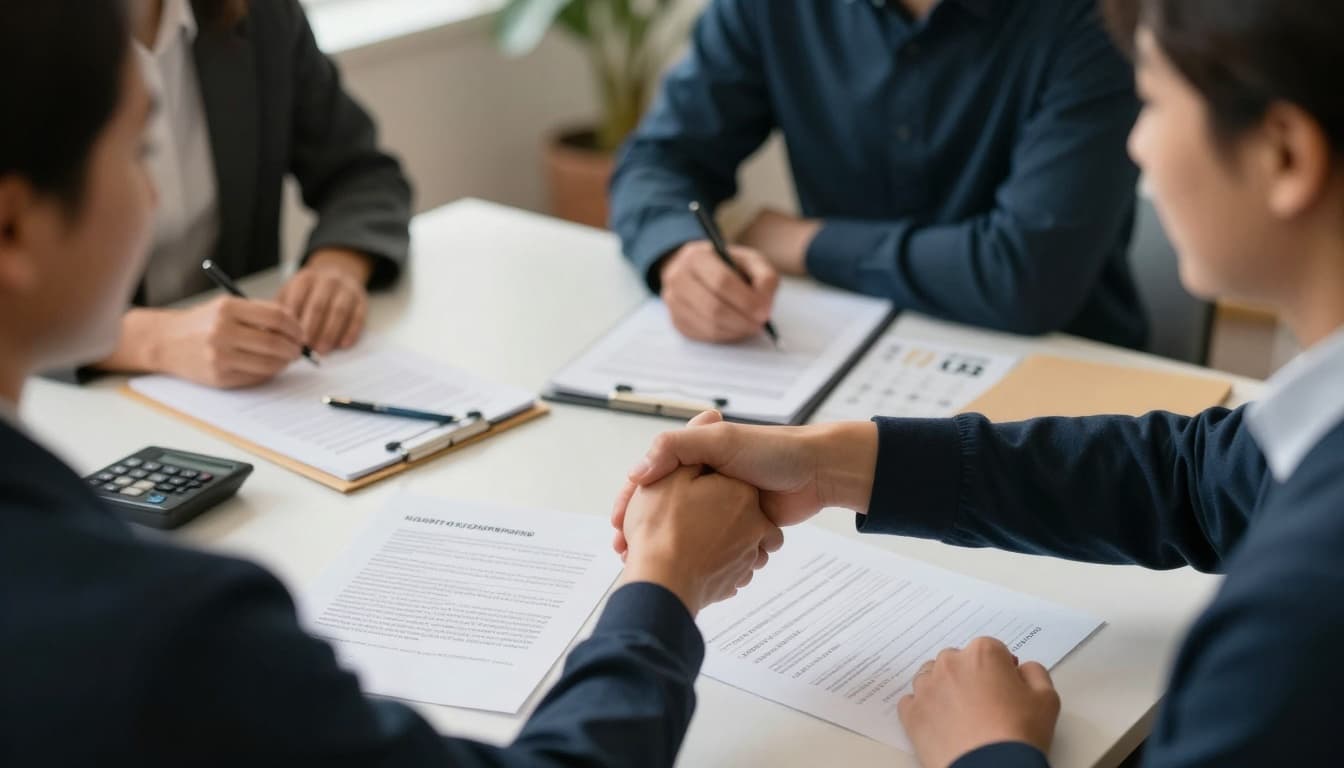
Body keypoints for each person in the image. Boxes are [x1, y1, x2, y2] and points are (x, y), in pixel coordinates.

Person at [0, 3, 784, 764]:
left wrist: (338, 263)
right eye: (138, 151)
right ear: (12, 228)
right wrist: (664, 583)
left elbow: (363, 173)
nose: (155, 194)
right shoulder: (175, 633)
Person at [614, 0, 1344, 764]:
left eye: (1155, 103)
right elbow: (1200, 481)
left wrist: (988, 748)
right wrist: (834, 465)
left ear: (1285, 155)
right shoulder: (1306, 445)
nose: (1137, 145)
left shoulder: (1292, 622)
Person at [610, 0, 1147, 349]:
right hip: (836, 346)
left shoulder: (1098, 18)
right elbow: (659, 158)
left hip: (1065, 368)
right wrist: (677, 254)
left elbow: (1026, 278)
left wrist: (804, 243)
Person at [55, 0, 413, 389]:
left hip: (255, 389)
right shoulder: (24, 39)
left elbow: (362, 173)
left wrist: (338, 266)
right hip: (78, 398)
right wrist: (148, 339)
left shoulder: (263, 14)